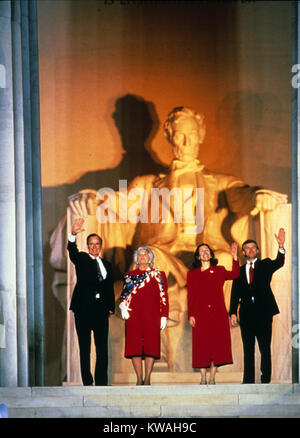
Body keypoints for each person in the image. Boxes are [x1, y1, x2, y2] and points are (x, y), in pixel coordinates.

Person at [229, 228, 285, 384]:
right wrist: (232, 313)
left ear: (257, 251)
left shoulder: (266, 264)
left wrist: (281, 246)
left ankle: (265, 379)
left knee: (265, 348)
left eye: (253, 247)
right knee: (248, 349)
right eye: (247, 248)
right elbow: (235, 293)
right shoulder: (238, 271)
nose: (251, 250)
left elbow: (279, 262)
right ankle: (248, 380)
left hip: (264, 313)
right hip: (246, 314)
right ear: (244, 252)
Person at [67, 217, 115, 386]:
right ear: (88, 246)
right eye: (91, 244)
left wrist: (111, 307)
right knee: (85, 347)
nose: (94, 247)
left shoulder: (107, 265)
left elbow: (109, 287)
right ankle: (87, 381)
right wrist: (73, 234)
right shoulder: (81, 258)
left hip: (101, 311)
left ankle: (101, 382)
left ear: (101, 246)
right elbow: (71, 250)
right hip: (83, 310)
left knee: (102, 349)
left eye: (97, 244)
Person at [187, 242, 240, 384]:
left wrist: (235, 258)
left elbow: (235, 274)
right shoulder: (192, 274)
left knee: (217, 345)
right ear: (198, 256)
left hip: (218, 314)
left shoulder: (220, 270)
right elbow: (190, 296)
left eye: (207, 250)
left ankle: (212, 377)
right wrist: (191, 315)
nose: (205, 253)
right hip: (200, 314)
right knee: (201, 345)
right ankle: (203, 377)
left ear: (210, 254)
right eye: (201, 251)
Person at [119, 246, 169, 385]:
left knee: (150, 346)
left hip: (152, 316)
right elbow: (124, 295)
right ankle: (139, 378)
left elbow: (163, 296)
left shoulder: (158, 274)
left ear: (150, 258)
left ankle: (147, 378)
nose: (142, 257)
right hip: (133, 316)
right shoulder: (130, 275)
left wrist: (164, 315)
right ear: (136, 259)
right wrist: (123, 306)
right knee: (134, 347)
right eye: (139, 255)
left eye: (145, 255)